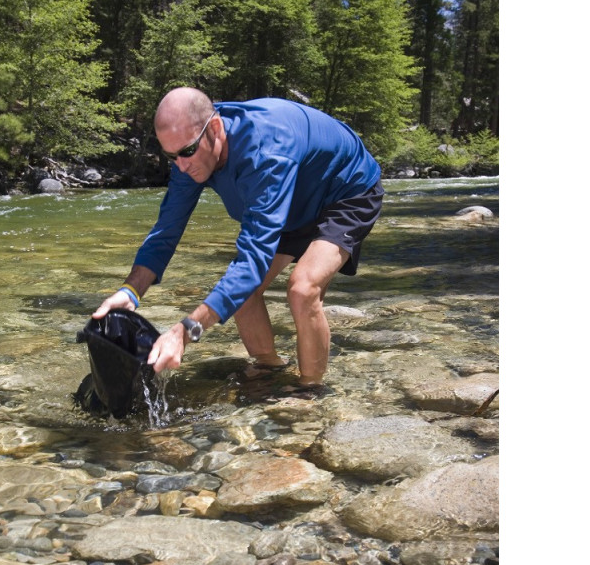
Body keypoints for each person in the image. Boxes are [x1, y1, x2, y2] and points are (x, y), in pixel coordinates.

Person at [92, 87, 383, 388]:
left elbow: (252, 263)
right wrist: (130, 292)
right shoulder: (188, 152)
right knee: (242, 295)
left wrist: (185, 332)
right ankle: (270, 370)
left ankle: (309, 393)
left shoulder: (265, 154)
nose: (180, 165)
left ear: (215, 129)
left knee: (303, 289)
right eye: (171, 155)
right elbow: (167, 230)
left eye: (187, 152)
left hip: (346, 189)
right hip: (293, 197)